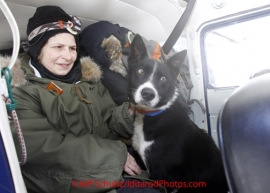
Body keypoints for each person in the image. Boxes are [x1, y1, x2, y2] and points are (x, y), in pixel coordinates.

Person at [2, 5, 162, 193]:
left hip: (113, 163)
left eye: (72, 48)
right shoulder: (20, 92)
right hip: (77, 180)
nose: (68, 56)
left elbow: (108, 118)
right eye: (58, 47)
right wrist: (116, 156)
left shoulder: (88, 80)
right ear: (37, 50)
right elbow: (45, 150)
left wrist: (130, 112)